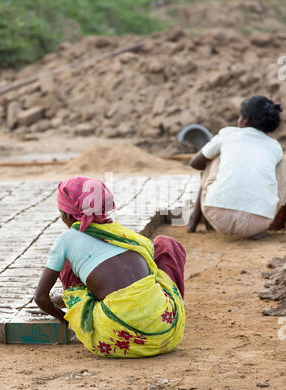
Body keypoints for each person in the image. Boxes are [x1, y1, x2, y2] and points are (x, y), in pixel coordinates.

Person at [34, 176, 186, 358]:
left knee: (68, 264)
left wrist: (67, 321)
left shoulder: (66, 240)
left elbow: (40, 298)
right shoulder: (121, 234)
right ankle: (162, 304)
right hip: (165, 331)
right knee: (164, 244)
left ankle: (77, 309)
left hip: (117, 337)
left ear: (66, 215)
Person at [187, 95, 285, 239]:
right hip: (259, 222)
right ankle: (277, 223)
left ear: (246, 119)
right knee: (282, 162)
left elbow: (195, 163)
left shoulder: (228, 134)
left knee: (213, 155)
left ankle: (193, 221)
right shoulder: (274, 146)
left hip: (218, 215)